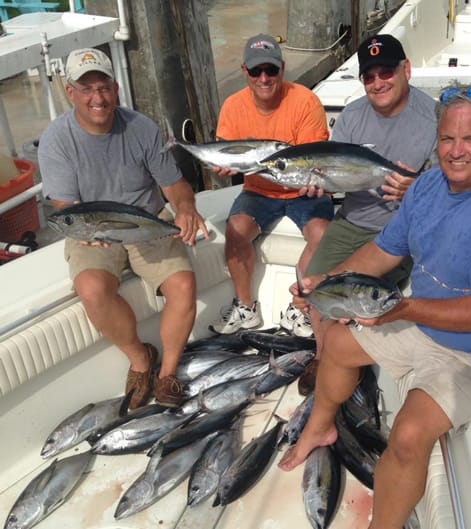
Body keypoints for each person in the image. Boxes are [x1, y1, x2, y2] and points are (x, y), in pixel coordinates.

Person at [278, 82, 471, 529]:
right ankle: (319, 428)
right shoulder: (428, 186)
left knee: (406, 436)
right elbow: (385, 251)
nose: (456, 151)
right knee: (340, 341)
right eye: (447, 139)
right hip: (427, 321)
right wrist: (327, 281)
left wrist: (401, 311)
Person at [38, 48, 209, 409]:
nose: (97, 98)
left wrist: (185, 208)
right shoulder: (56, 140)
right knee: (91, 290)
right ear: (70, 92)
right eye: (86, 89)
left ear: (116, 88)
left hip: (145, 221)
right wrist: (84, 231)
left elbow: (174, 186)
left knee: (183, 283)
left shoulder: (141, 128)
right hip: (93, 230)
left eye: (103, 88)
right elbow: (65, 210)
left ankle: (168, 375)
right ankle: (141, 359)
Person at [298, 34, 438, 394]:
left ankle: (348, 363)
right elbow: (335, 170)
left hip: (401, 228)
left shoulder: (434, 117)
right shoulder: (352, 115)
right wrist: (321, 183)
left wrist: (417, 187)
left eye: (386, 72)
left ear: (406, 69)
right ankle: (322, 355)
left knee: (365, 302)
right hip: (353, 219)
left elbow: (450, 184)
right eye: (369, 76)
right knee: (314, 282)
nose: (378, 82)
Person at [208, 33, 333, 336]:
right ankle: (246, 306)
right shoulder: (232, 107)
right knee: (235, 231)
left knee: (323, 236)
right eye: (256, 71)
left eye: (271, 70)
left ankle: (299, 306)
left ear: (282, 69)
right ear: (244, 72)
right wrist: (221, 169)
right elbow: (226, 155)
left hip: (303, 192)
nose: (264, 78)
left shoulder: (305, 101)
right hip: (258, 191)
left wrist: (314, 181)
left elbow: (311, 161)